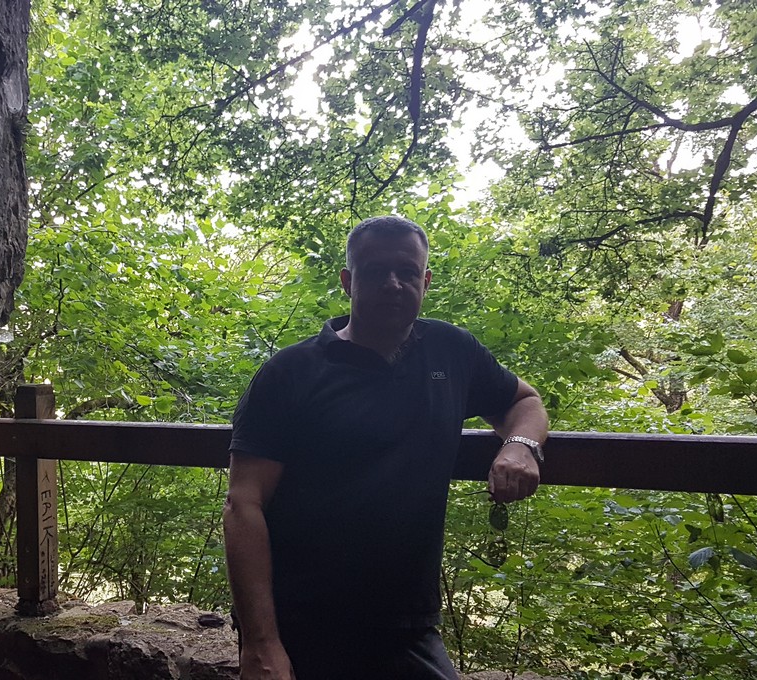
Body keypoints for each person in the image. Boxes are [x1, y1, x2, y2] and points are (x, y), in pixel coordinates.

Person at [223, 215, 548, 680]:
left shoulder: (451, 351)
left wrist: (519, 445)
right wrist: (260, 644)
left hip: (408, 622)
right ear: (348, 281)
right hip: (301, 621)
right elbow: (243, 504)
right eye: (376, 271)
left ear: (425, 281)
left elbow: (524, 401)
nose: (393, 283)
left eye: (407, 271)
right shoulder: (291, 372)